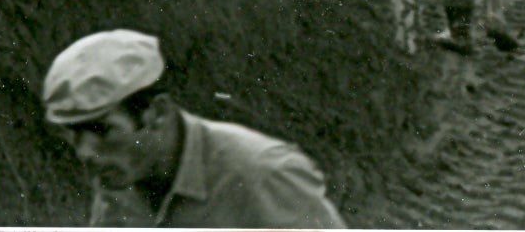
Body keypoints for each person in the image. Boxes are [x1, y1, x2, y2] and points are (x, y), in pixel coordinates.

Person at [41, 29, 346, 229]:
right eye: (73, 133)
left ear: (157, 113)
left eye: (102, 131)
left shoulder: (263, 174)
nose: (85, 152)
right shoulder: (120, 180)